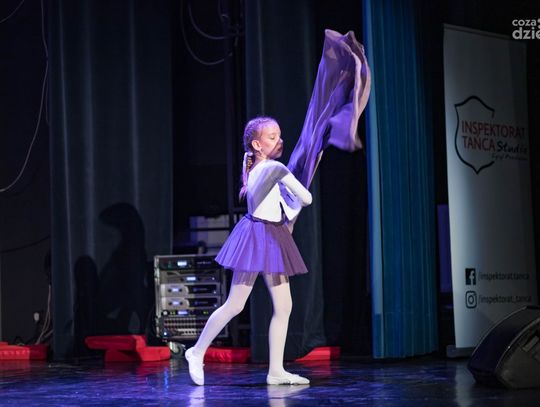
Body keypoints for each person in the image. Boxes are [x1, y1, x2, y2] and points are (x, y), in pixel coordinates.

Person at [185, 116, 312, 386]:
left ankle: (276, 370)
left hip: (268, 234)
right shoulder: (275, 168)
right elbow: (307, 198)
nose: (279, 141)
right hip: (261, 236)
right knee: (236, 304)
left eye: (279, 135)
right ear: (257, 144)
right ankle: (196, 352)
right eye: (272, 137)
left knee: (282, 306)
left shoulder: (258, 168)